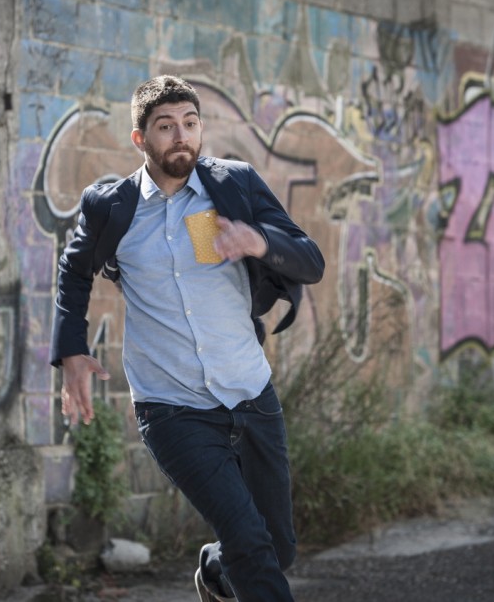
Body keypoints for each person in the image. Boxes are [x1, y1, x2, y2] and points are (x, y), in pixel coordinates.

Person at [50, 75, 324, 601]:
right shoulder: (112, 208)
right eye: (166, 126)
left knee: (276, 549)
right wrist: (71, 351)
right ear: (140, 138)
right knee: (251, 543)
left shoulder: (234, 185)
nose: (181, 136)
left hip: (250, 391)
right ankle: (235, 559)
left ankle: (217, 570)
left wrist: (259, 241)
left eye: (190, 123)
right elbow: (74, 271)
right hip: (172, 408)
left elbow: (310, 260)